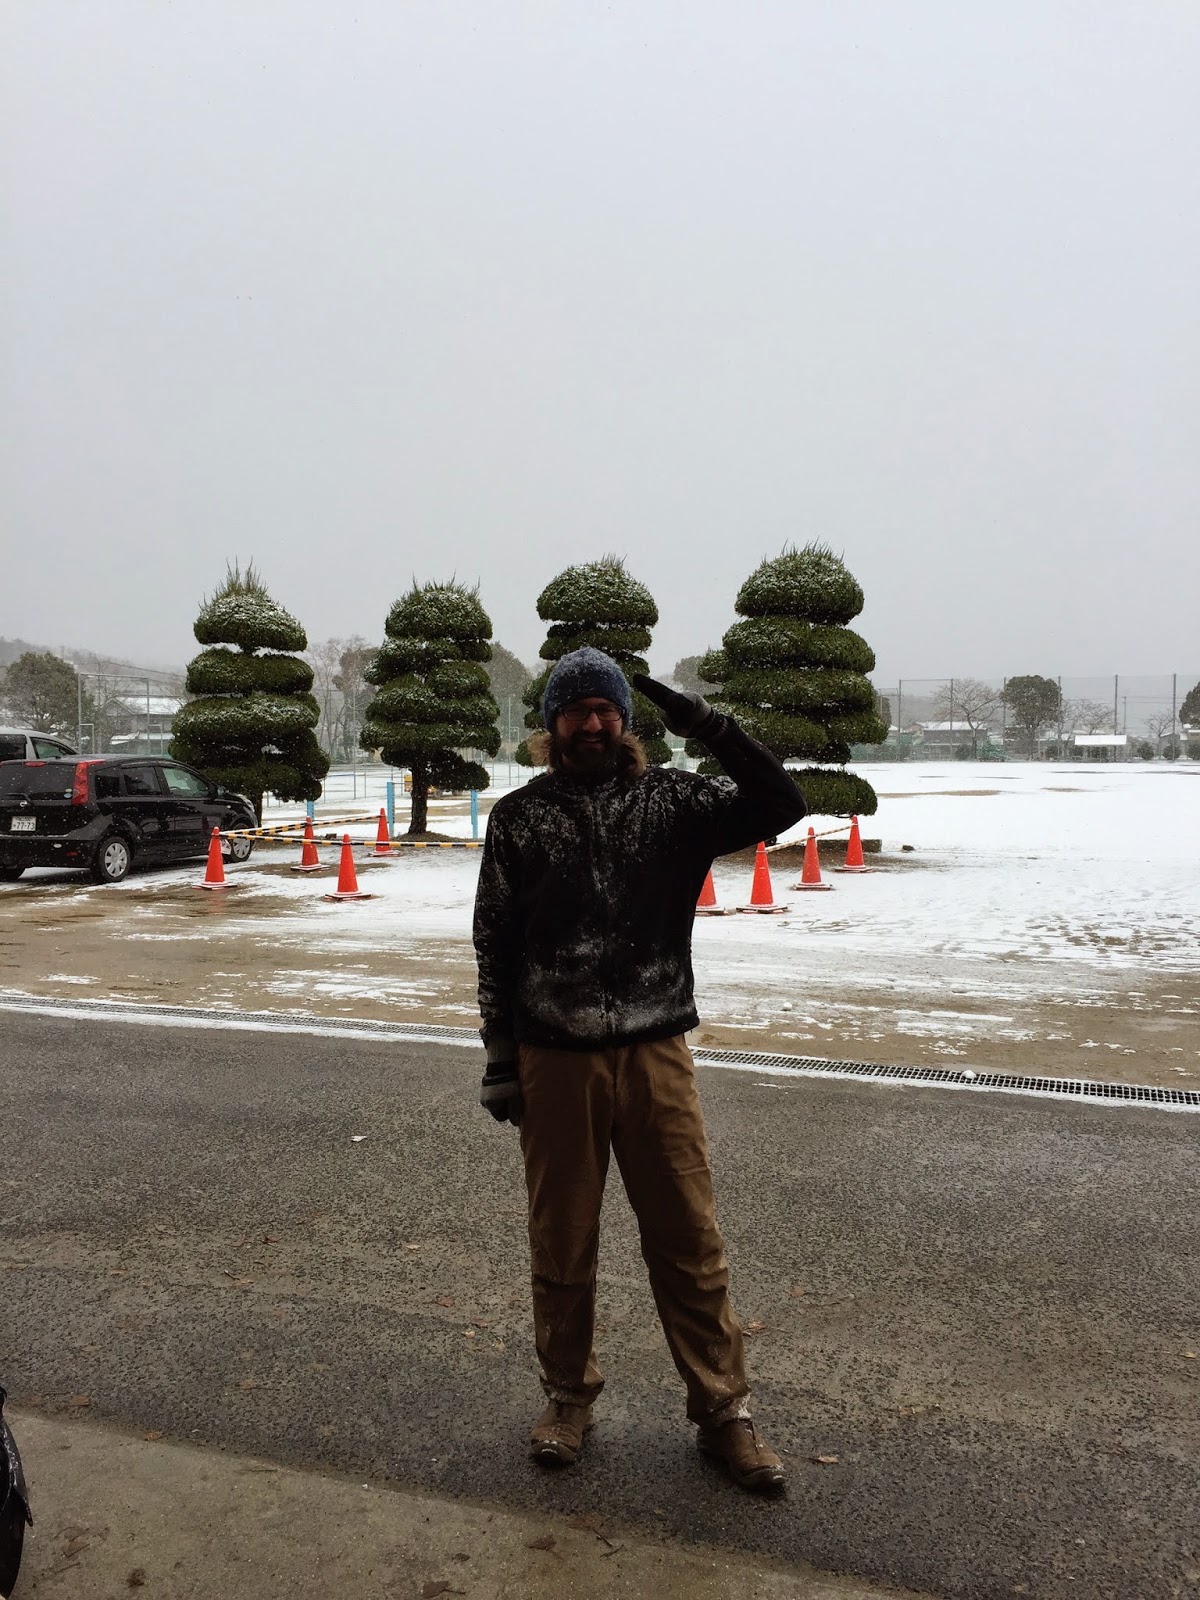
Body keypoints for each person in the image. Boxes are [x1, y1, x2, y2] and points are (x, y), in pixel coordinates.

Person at [472, 646, 806, 1492]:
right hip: (554, 1057)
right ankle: (567, 1397)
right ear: (550, 725)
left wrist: (708, 724)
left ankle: (723, 1412)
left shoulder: (676, 803)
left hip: (657, 1050)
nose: (591, 723)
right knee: (562, 1239)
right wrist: (500, 1057)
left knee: (690, 1240)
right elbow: (494, 941)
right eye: (575, 710)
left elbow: (782, 802)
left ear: (626, 719)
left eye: (605, 709)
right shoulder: (520, 818)